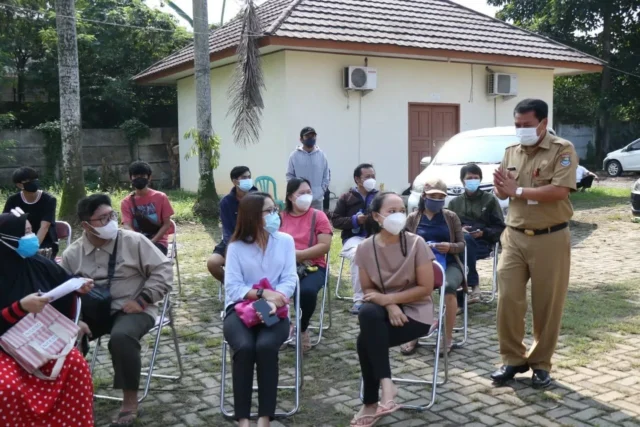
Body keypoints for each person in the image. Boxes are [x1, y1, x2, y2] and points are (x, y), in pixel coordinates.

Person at [61, 194, 173, 426]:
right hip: (93, 312)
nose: (111, 221)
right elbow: (66, 292)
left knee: (121, 338)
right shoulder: (73, 254)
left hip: (133, 308)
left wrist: (143, 299)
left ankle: (129, 401)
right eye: (103, 218)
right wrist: (78, 320)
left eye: (112, 215)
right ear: (86, 225)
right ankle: (65, 398)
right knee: (63, 336)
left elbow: (163, 270)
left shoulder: (134, 241)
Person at [491, 98, 578, 389]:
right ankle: (512, 358)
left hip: (550, 237)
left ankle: (540, 363)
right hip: (514, 235)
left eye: (526, 125)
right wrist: (503, 189)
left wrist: (517, 190)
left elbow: (559, 190)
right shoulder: (510, 152)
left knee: (547, 304)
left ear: (542, 122)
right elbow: (504, 194)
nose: (521, 130)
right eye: (517, 125)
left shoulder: (562, 150)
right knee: (508, 300)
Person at [0, 211, 95, 427]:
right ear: (6, 238)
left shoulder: (36, 262)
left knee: (75, 365)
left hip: (41, 338)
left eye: (30, 230)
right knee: (6, 388)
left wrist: (79, 288)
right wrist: (20, 307)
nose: (32, 236)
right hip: (4, 348)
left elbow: (64, 285)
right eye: (24, 233)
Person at [350, 192, 434, 427]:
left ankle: (370, 402)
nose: (398, 215)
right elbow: (368, 291)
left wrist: (390, 301)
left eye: (401, 210)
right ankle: (387, 386)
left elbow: (425, 288)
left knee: (364, 341)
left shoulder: (416, 243)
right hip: (383, 312)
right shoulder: (365, 248)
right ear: (377, 216)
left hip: (416, 313)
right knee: (367, 314)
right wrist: (391, 305)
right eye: (391, 211)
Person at [222, 192, 297, 427]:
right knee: (244, 347)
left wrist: (276, 301)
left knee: (265, 347)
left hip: (274, 308)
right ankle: (243, 418)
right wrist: (265, 295)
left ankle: (265, 417)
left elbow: (289, 279)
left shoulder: (285, 241)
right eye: (270, 211)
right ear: (254, 216)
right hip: (242, 308)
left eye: (276, 210)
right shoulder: (235, 247)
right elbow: (234, 288)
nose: (276, 215)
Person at [406, 178, 466, 355]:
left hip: (449, 262)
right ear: (424, 196)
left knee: (448, 287)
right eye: (434, 196)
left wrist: (449, 246)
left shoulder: (451, 217)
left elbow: (462, 244)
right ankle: (414, 334)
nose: (437, 200)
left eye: (441, 197)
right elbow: (405, 244)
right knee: (414, 286)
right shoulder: (413, 218)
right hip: (422, 264)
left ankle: (447, 338)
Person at [280, 178, 332, 352]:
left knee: (307, 292)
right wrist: (294, 257)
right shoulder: (279, 218)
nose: (307, 196)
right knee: (262, 292)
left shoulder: (318, 216)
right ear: (290, 197)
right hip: (282, 266)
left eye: (309, 192)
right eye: (301, 193)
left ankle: (301, 328)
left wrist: (300, 256)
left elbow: (324, 246)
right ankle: (277, 329)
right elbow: (270, 245)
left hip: (313, 266)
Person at [448, 163, 505, 303]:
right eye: (469, 178)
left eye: (476, 177)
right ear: (463, 180)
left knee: (464, 248)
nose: (473, 180)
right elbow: (448, 227)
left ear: (480, 179)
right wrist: (460, 230)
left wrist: (483, 233)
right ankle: (474, 288)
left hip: (483, 244)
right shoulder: (454, 203)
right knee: (462, 244)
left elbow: (500, 228)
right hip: (459, 243)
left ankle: (465, 293)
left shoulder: (490, 200)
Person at [331, 163, 378, 314]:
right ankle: (359, 299)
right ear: (357, 179)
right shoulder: (346, 197)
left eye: (373, 176)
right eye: (367, 177)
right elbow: (336, 221)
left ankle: (381, 295)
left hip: (376, 238)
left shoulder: (380, 197)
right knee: (359, 254)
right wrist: (355, 221)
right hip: (353, 238)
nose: (371, 180)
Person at [207, 166, 257, 284]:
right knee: (213, 264)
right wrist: (234, 248)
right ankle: (233, 285)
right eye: (244, 177)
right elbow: (227, 230)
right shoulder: (226, 202)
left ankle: (252, 288)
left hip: (256, 242)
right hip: (233, 241)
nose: (248, 180)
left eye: (249, 177)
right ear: (235, 181)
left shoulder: (260, 198)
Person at [120, 161, 174, 256]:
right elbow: (127, 226)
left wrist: (152, 241)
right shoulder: (126, 202)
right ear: (130, 178)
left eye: (142, 176)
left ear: (149, 178)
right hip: (136, 243)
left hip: (158, 242)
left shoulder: (161, 197)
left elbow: (166, 224)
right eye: (135, 176)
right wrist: (140, 241)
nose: (139, 179)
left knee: (146, 258)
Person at [3, 166, 59, 257]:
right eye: (29, 181)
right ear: (19, 185)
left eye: (35, 179)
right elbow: (6, 224)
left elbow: (44, 227)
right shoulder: (13, 200)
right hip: (20, 241)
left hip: (44, 242)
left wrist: (33, 249)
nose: (34, 182)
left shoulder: (49, 200)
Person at [286, 126, 330, 211]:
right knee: (300, 222)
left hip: (317, 199)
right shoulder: (294, 156)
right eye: (307, 136)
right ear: (301, 139)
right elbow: (289, 175)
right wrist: (295, 191)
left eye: (313, 136)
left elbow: (326, 175)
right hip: (300, 199)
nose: (311, 138)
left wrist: (321, 190)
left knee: (316, 222)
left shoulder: (321, 155)